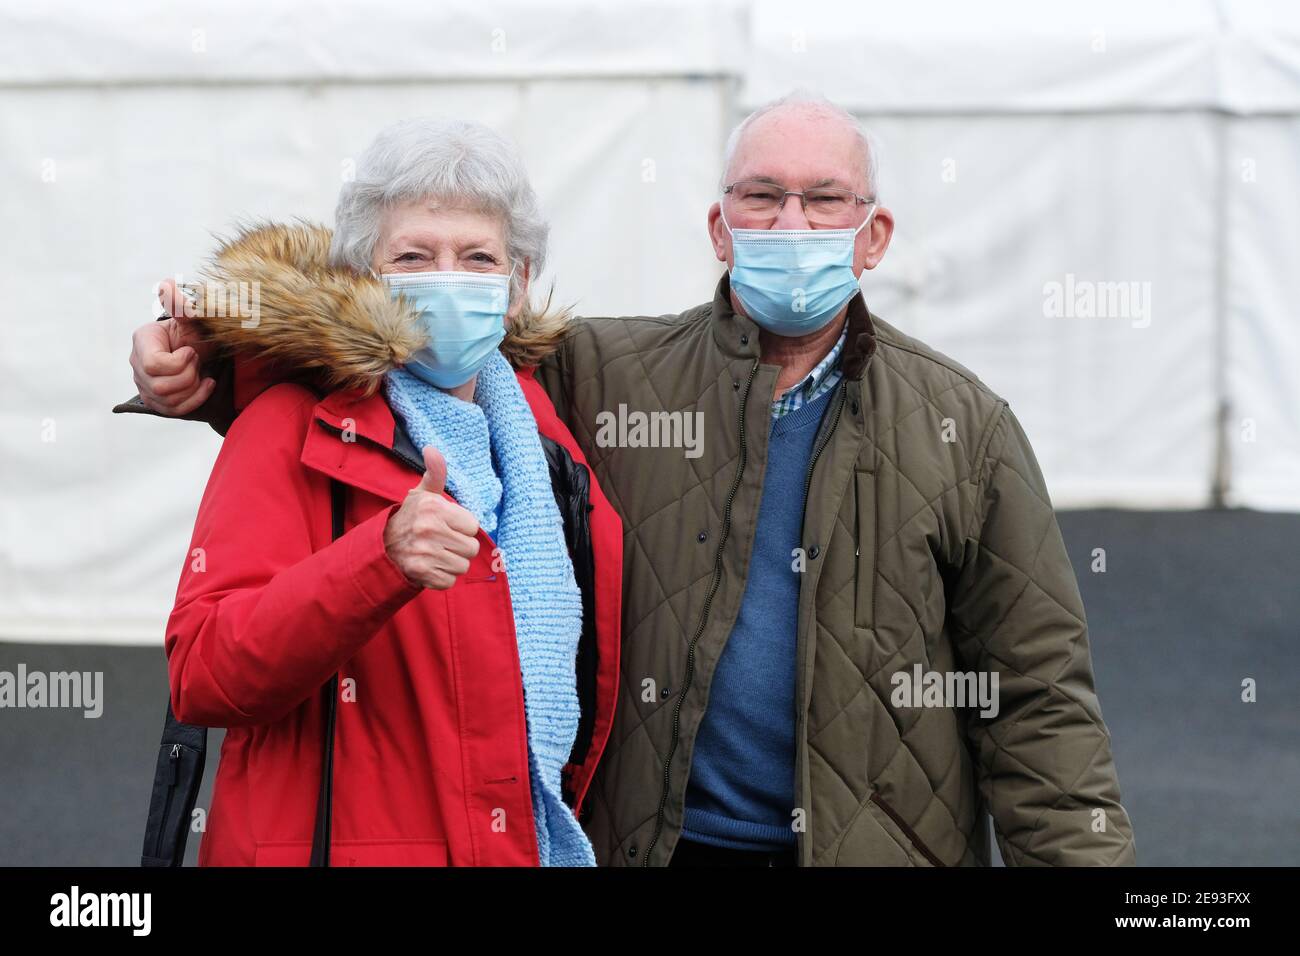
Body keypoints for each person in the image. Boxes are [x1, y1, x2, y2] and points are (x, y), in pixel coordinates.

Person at [124, 90, 1135, 867]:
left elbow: (1037, 693)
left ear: (874, 234)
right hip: (650, 847)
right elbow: (368, 382)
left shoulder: (964, 426)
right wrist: (207, 368)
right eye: (760, 198)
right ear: (717, 225)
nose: (791, 225)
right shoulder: (607, 377)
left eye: (824, 201)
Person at [124, 117, 623, 866]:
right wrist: (378, 559)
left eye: (478, 257)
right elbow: (204, 674)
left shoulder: (544, 431)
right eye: (415, 257)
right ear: (364, 280)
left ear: (517, 286)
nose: (449, 279)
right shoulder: (289, 425)